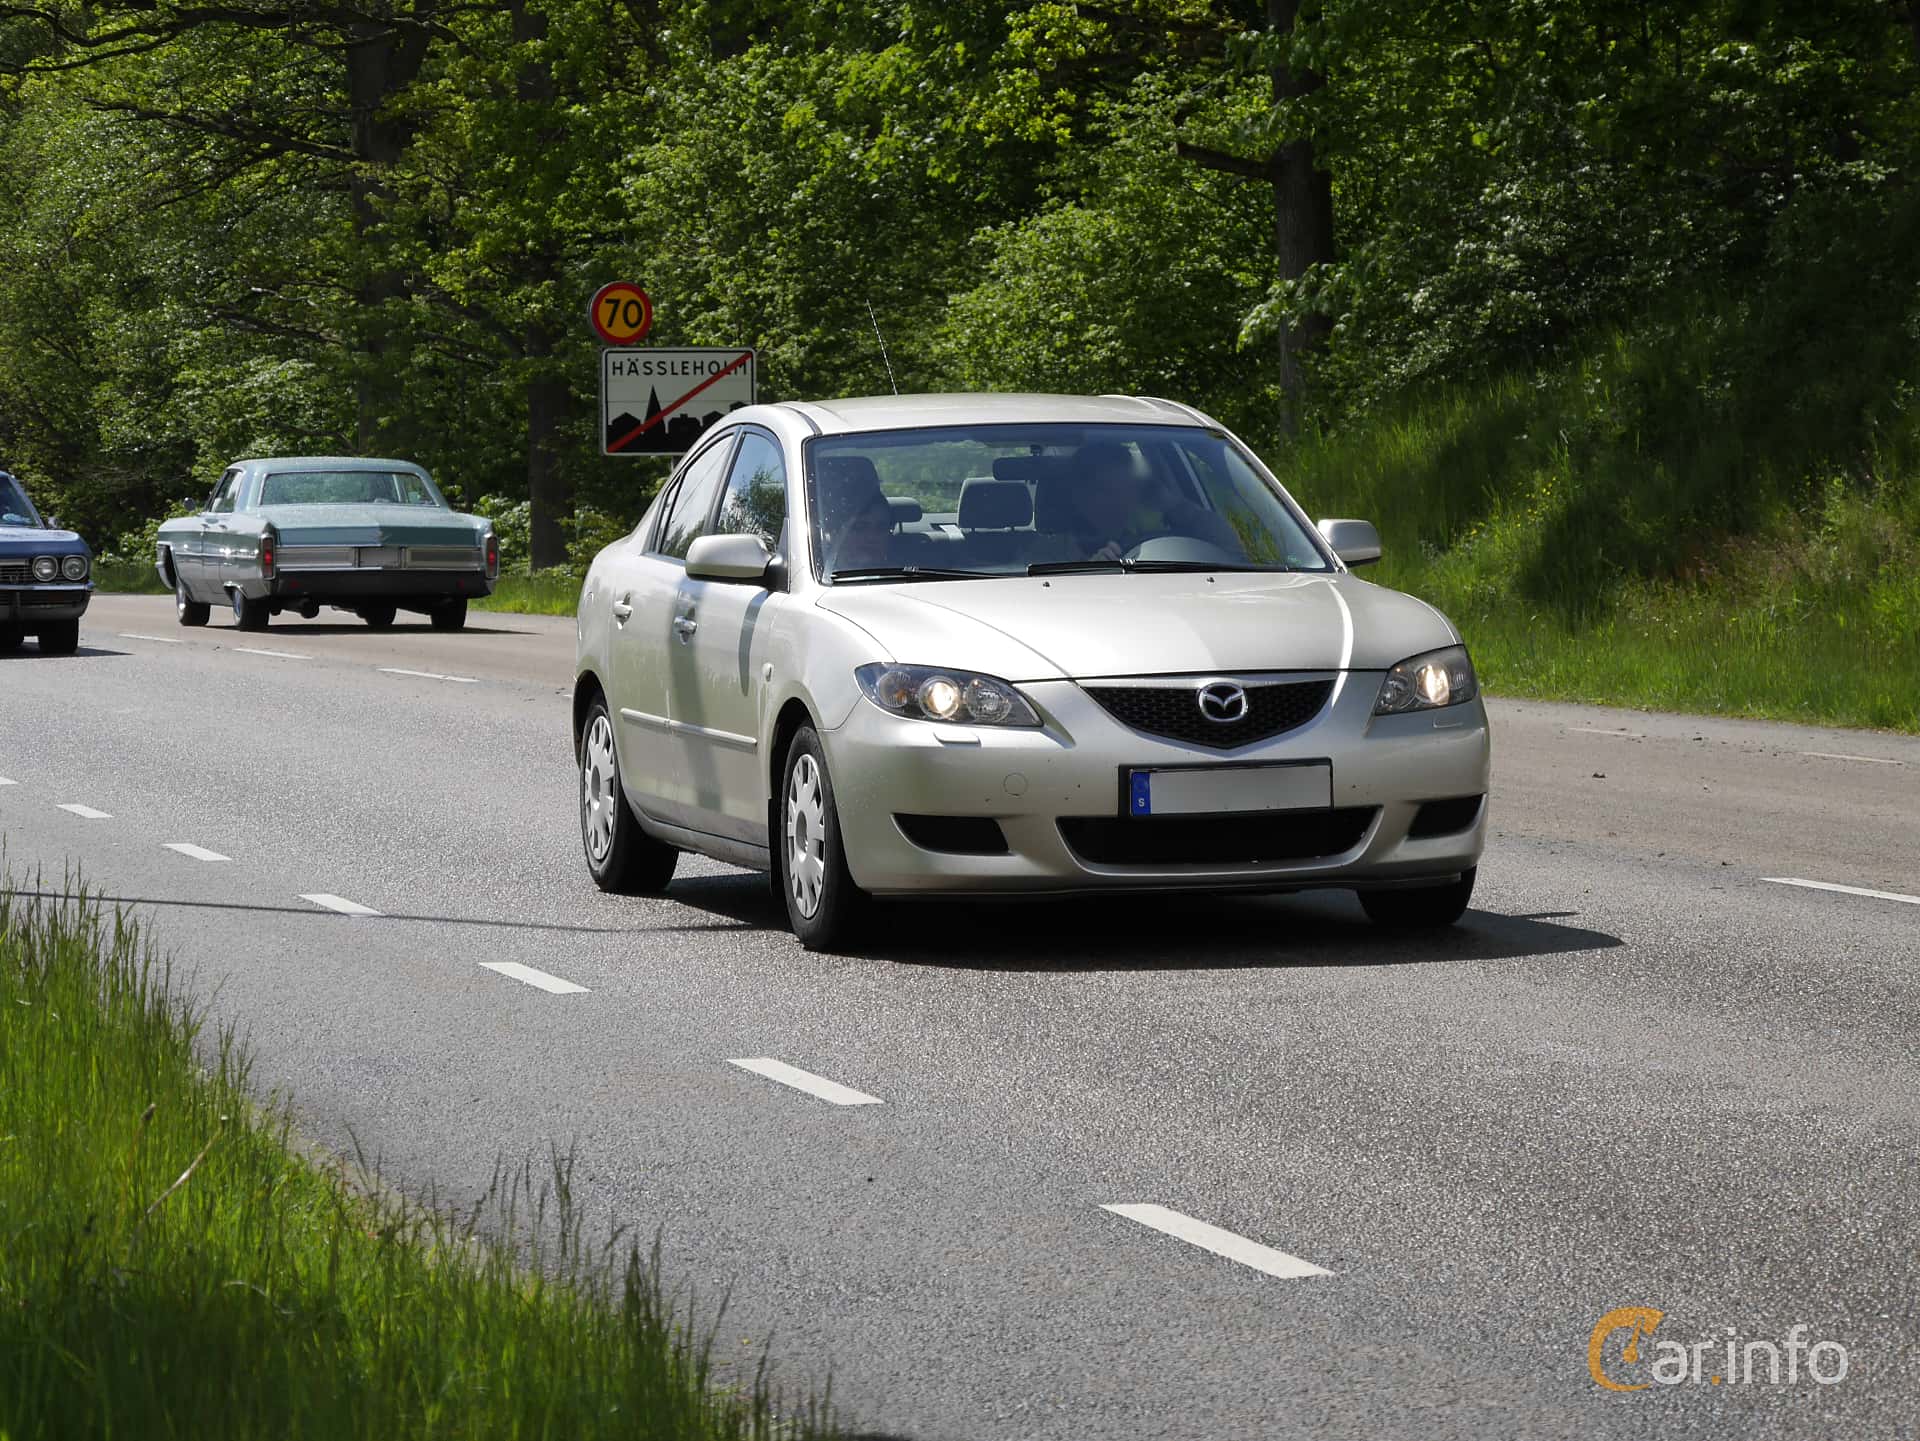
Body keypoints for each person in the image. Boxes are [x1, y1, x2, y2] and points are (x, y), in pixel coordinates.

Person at [1061, 442, 1241, 562]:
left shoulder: (1159, 537)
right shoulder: (1044, 553)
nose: (1121, 501)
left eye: (1128, 490)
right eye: (1108, 491)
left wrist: (1177, 506)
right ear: (1080, 495)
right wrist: (1091, 572)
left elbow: (1236, 552)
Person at [815, 457, 896, 572]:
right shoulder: (812, 574)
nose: (871, 537)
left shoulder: (914, 575)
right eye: (859, 527)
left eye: (881, 528)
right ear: (835, 532)